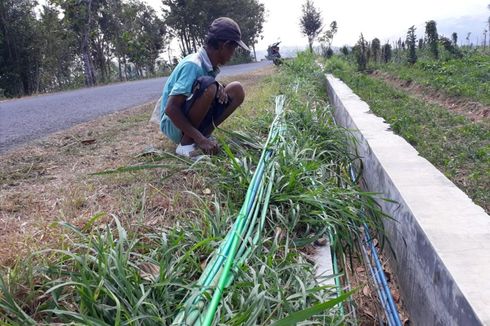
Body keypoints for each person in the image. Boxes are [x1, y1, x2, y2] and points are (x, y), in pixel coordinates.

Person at [159, 17, 249, 157]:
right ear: (224, 45)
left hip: (188, 119)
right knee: (209, 87)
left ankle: (204, 134)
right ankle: (186, 144)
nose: (233, 53)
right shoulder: (193, 65)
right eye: (233, 48)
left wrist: (217, 86)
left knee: (236, 90)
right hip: (173, 124)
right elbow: (171, 109)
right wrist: (200, 139)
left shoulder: (209, 66)